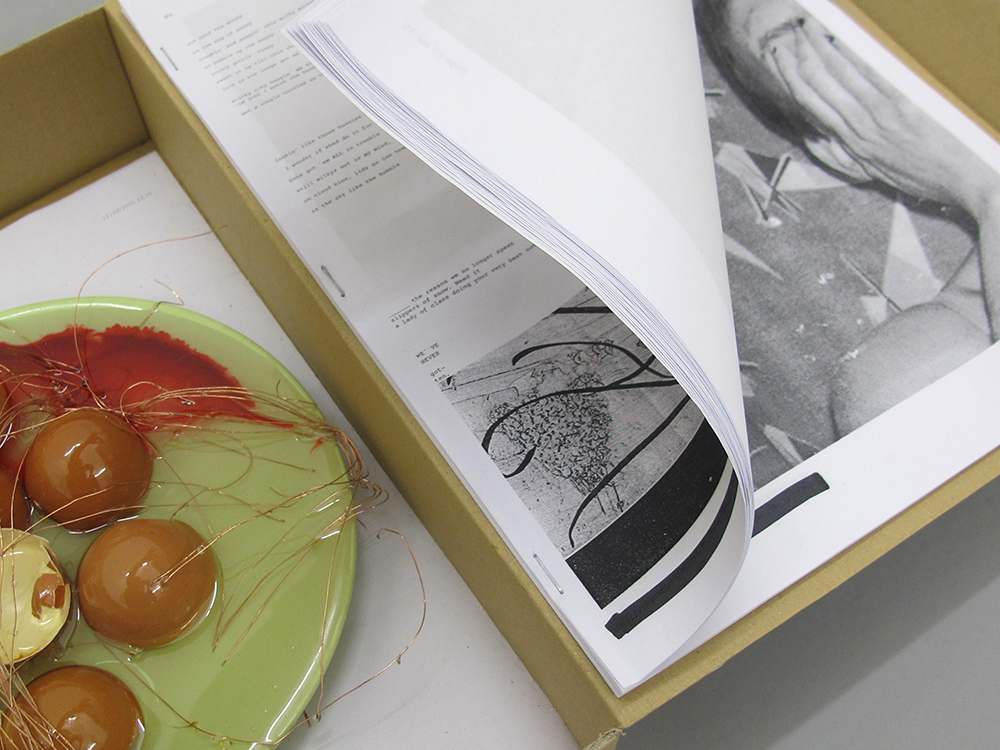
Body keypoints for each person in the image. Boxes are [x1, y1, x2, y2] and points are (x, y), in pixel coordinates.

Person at [695, 0, 1000, 435]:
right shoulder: (914, 376)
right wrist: (981, 180)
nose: (860, 28)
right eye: (794, 29)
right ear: (843, 152)